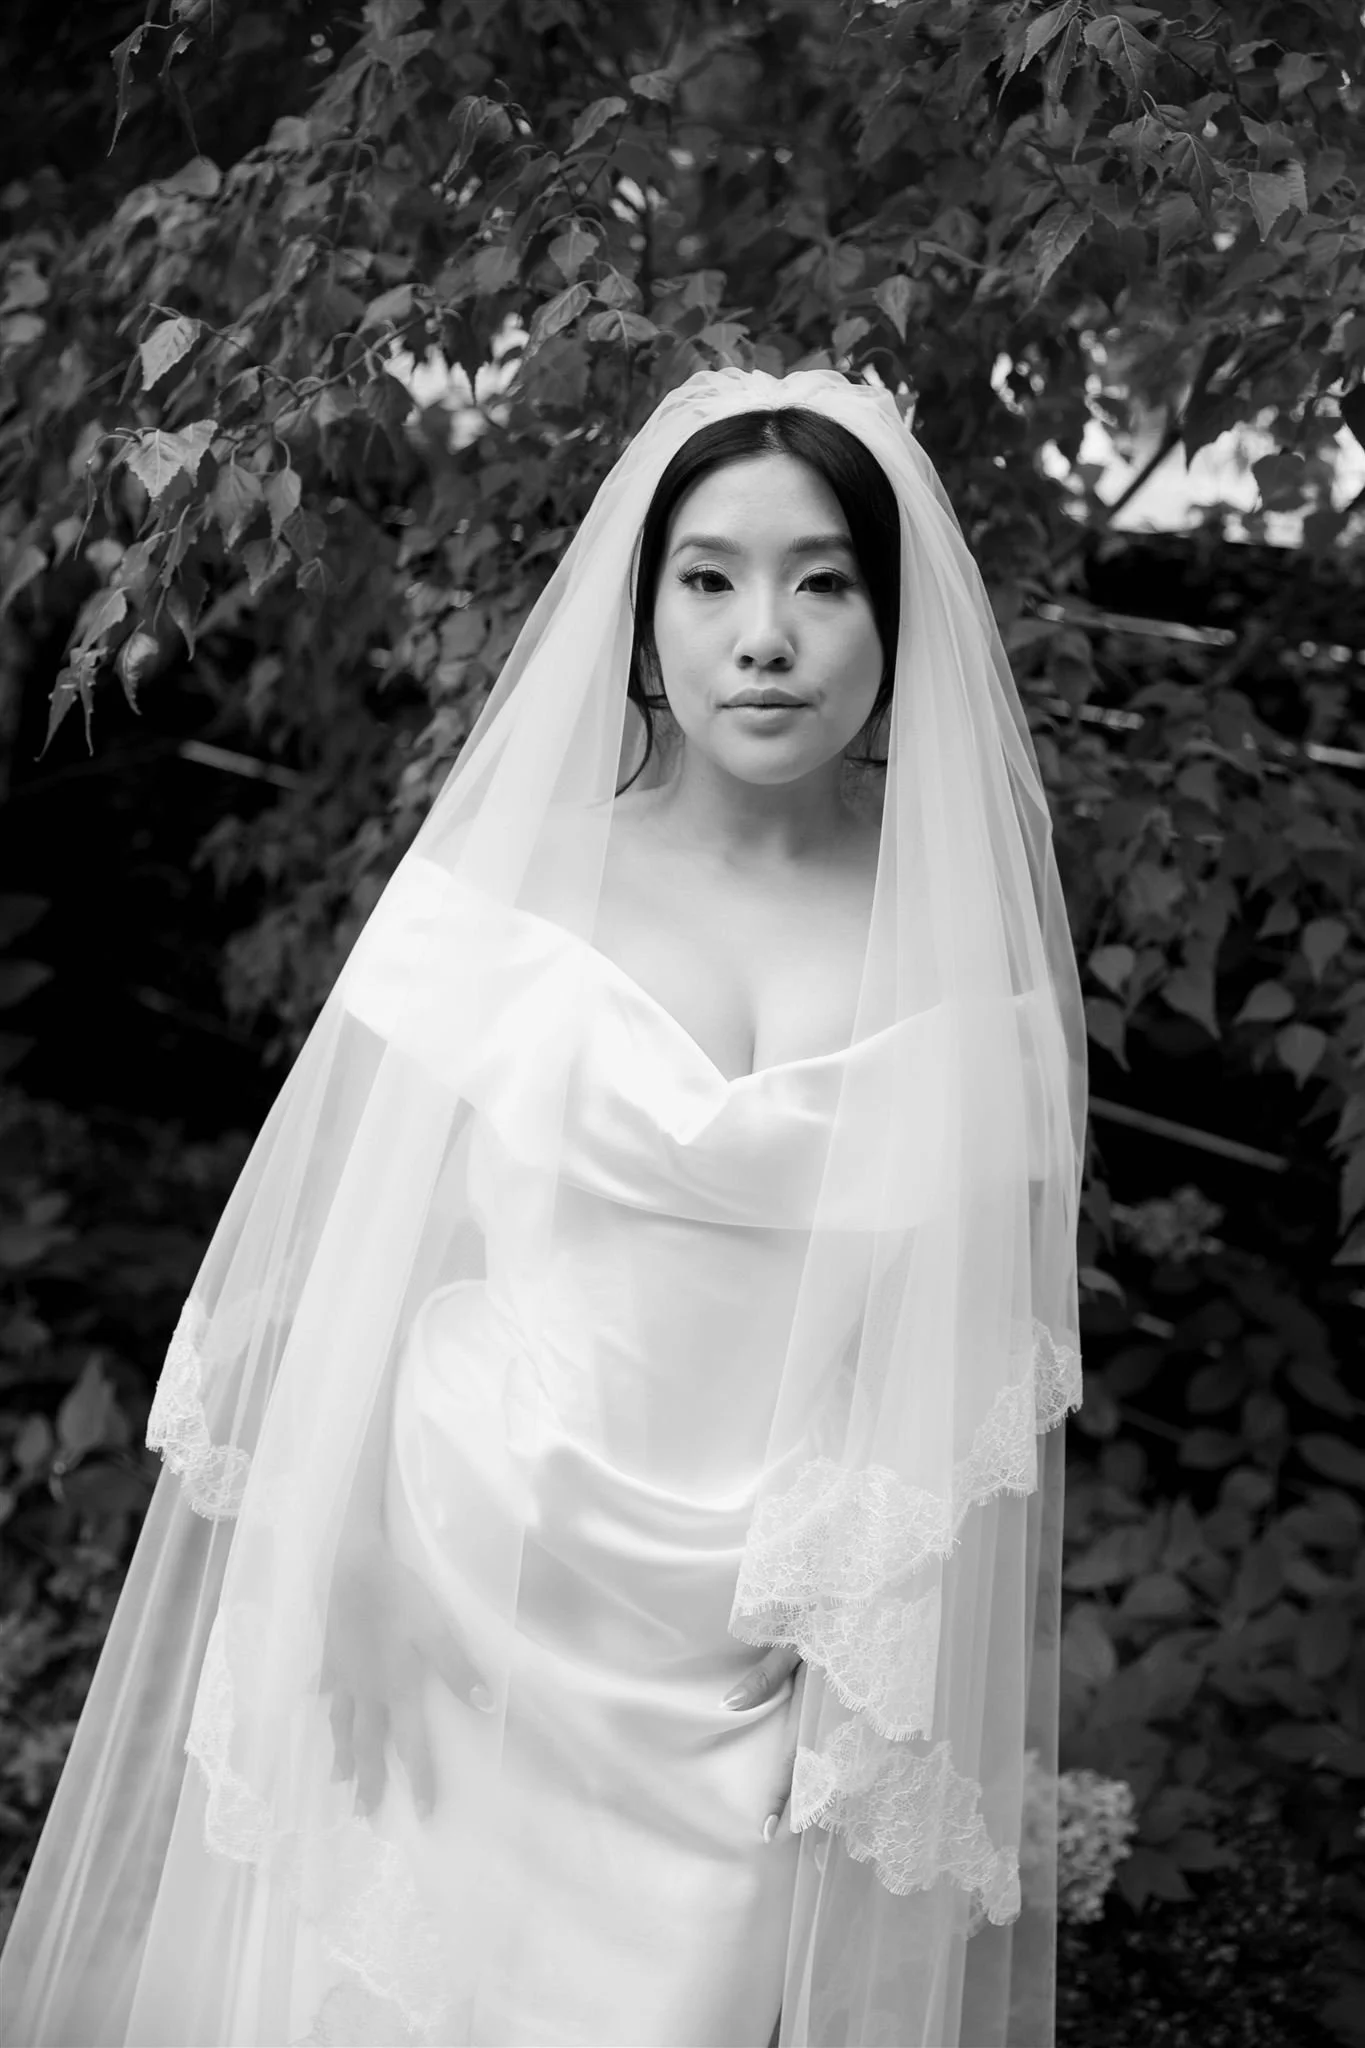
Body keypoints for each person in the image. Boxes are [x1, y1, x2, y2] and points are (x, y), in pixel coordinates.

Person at [0, 367, 1087, 2047]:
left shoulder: (954, 937)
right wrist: (345, 1558)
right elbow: (364, 1247)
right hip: (454, 1571)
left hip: (743, 1655)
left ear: (896, 621)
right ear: (642, 618)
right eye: (710, 579)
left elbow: (945, 1357)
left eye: (821, 581)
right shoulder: (513, 883)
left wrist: (866, 1646)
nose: (765, 636)